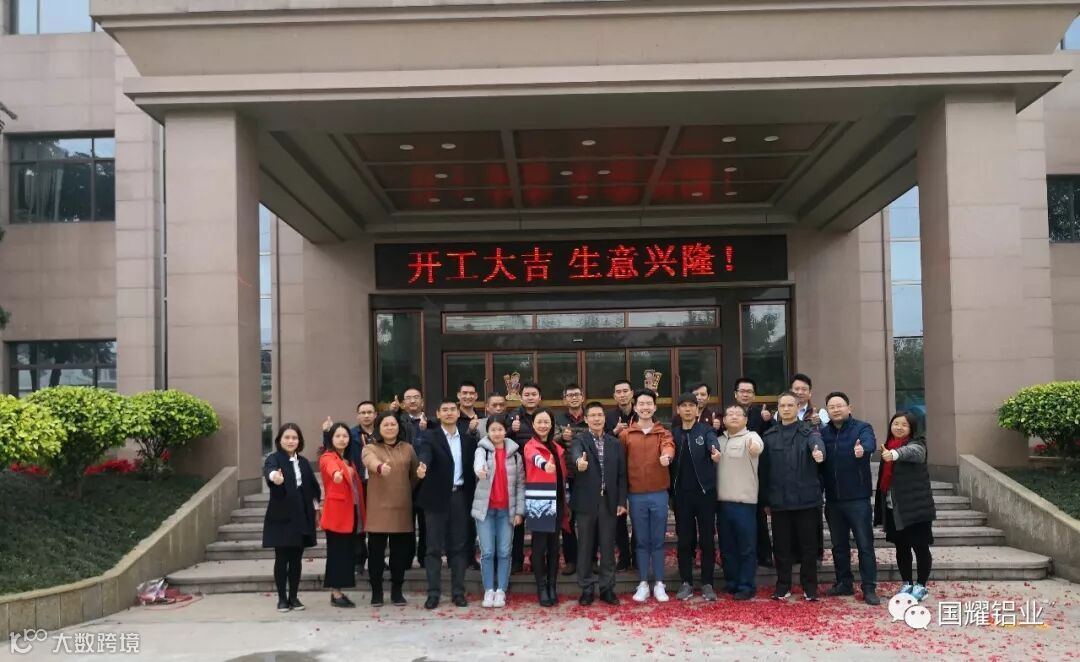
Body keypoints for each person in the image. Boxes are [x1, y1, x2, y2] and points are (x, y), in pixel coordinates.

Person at [762, 392, 825, 601]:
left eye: (791, 405)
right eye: (782, 406)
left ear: (798, 407)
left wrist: (819, 453)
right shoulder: (769, 436)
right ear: (778, 409)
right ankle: (783, 586)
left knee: (809, 546)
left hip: (806, 500)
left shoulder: (809, 432)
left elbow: (818, 446)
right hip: (780, 501)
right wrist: (765, 500)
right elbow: (764, 471)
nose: (786, 409)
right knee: (781, 546)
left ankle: (810, 587)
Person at [820, 391, 880, 605]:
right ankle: (844, 582)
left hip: (858, 498)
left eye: (839, 405)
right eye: (832, 406)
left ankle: (869, 587)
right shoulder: (823, 433)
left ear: (849, 408)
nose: (836, 409)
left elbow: (870, 443)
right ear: (827, 411)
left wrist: (863, 449)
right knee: (839, 545)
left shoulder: (862, 428)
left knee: (865, 544)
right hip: (833, 499)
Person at [416, 399, 477, 608]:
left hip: (460, 497)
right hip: (436, 498)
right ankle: (433, 593)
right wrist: (423, 465)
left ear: (458, 413)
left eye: (453, 409)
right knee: (433, 548)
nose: (449, 413)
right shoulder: (430, 436)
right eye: (445, 410)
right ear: (438, 414)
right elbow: (425, 454)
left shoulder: (468, 440)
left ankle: (458, 592)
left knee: (459, 547)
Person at [569, 401, 627, 606]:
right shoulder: (580, 440)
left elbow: (622, 475)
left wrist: (622, 501)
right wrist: (579, 462)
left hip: (609, 502)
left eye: (599, 415)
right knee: (585, 547)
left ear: (604, 418)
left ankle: (606, 588)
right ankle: (586, 588)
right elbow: (575, 455)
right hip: (586, 502)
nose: (596, 419)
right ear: (586, 419)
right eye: (592, 415)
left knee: (608, 546)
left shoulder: (615, 443)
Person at [620, 389, 675, 602]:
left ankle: (659, 583)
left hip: (659, 494)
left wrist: (666, 457)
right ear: (635, 407)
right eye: (641, 404)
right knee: (642, 541)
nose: (645, 407)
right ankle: (643, 583)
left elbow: (669, 447)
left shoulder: (663, 433)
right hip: (636, 495)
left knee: (658, 540)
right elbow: (621, 465)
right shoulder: (626, 435)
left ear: (655, 407)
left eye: (648, 403)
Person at [874, 411, 936, 602]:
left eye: (904, 425)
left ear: (912, 428)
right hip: (894, 509)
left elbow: (913, 453)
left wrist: (894, 454)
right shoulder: (888, 446)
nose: (899, 427)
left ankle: (921, 585)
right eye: (896, 424)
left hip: (916, 508)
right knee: (901, 547)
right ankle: (907, 583)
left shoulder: (918, 444)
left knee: (920, 547)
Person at [362, 411, 420, 607]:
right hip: (378, 509)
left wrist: (419, 475)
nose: (389, 428)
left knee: (399, 555)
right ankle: (376, 592)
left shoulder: (408, 448)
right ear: (378, 428)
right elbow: (369, 461)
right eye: (385, 424)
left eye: (393, 424)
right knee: (376, 555)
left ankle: (397, 591)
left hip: (402, 507)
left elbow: (414, 475)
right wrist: (380, 468)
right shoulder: (370, 448)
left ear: (399, 427)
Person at [262, 423, 321, 613]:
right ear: (279, 440)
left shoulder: (303, 462)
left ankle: (294, 597)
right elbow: (270, 470)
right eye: (286, 437)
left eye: (294, 438)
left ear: (299, 441)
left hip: (302, 515)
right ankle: (282, 598)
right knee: (282, 558)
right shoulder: (274, 458)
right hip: (281, 515)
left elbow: (313, 487)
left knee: (296, 559)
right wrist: (275, 477)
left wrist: (316, 508)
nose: (290, 441)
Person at [670, 392, 721, 602]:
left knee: (707, 539)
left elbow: (713, 443)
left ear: (697, 409)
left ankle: (707, 583)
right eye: (684, 406)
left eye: (692, 405)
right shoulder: (673, 433)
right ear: (678, 410)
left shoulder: (706, 430)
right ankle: (686, 582)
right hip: (682, 495)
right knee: (684, 540)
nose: (688, 409)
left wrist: (715, 451)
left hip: (705, 493)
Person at [472, 415, 525, 608]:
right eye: (493, 430)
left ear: (506, 431)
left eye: (500, 429)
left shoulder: (515, 455)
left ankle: (501, 590)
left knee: (504, 552)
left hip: (506, 511)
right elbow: (478, 464)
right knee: (487, 552)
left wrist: (519, 512)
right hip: (485, 511)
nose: (496, 433)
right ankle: (489, 590)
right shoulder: (482, 450)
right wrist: (480, 471)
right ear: (487, 431)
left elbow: (520, 485)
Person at [715, 404, 764, 600]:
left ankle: (746, 585)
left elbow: (757, 447)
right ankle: (732, 582)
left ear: (745, 419)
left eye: (738, 414)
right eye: (730, 414)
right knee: (727, 547)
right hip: (722, 503)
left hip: (744, 503)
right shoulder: (718, 440)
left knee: (746, 547)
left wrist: (754, 447)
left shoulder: (751, 437)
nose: (734, 417)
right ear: (724, 420)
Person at [524, 408, 569, 607]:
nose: (543, 425)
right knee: (539, 546)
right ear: (533, 425)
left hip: (557, 501)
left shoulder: (557, 447)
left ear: (552, 425)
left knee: (554, 546)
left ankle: (552, 585)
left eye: (546, 422)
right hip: (539, 501)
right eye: (539, 422)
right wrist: (545, 466)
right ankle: (541, 588)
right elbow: (536, 458)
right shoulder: (530, 446)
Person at [319, 422, 366, 608]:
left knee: (345, 553)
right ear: (331, 439)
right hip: (337, 514)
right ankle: (336, 593)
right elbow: (331, 467)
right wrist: (336, 474)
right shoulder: (328, 457)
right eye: (337, 436)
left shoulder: (348, 460)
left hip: (351, 512)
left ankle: (338, 591)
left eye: (345, 436)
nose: (341, 439)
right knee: (337, 554)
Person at [733, 378, 774, 568]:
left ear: (754, 395)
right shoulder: (729, 414)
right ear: (735, 394)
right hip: (734, 473)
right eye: (742, 391)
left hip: (757, 472)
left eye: (749, 391)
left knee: (759, 516)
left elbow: (772, 435)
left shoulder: (761, 414)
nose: (745, 394)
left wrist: (769, 420)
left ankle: (764, 555)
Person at [390, 386, 430, 568]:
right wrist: (393, 413)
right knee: (405, 521)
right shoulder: (397, 422)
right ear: (403, 403)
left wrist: (426, 430)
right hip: (403, 479)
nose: (412, 400)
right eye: (408, 398)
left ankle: (424, 557)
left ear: (422, 401)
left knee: (426, 522)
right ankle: (405, 559)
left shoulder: (432, 422)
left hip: (426, 480)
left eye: (416, 397)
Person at [790, 373, 826, 565]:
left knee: (813, 514)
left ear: (810, 393)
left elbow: (827, 436)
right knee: (793, 515)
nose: (800, 392)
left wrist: (821, 424)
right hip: (790, 469)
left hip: (813, 469)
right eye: (796, 389)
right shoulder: (781, 412)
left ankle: (816, 553)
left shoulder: (819, 413)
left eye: (804, 389)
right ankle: (796, 553)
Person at [509, 382, 544, 573]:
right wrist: (511, 430)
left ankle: (538, 559)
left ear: (540, 397)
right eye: (527, 394)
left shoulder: (544, 415)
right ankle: (517, 560)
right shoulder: (512, 416)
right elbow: (502, 440)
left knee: (540, 520)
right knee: (518, 520)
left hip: (540, 475)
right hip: (518, 475)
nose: (530, 397)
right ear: (521, 397)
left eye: (534, 394)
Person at [555, 383, 588, 576]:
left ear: (582, 397)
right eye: (570, 395)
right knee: (567, 520)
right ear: (564, 399)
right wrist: (561, 436)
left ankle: (591, 560)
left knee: (589, 519)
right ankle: (571, 560)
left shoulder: (590, 417)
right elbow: (549, 440)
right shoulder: (558, 419)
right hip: (566, 476)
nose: (574, 397)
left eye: (577, 394)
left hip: (587, 477)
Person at [606, 379, 637, 571]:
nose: (622, 394)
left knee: (638, 517)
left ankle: (637, 555)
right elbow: (601, 441)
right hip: (616, 472)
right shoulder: (609, 417)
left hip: (637, 469)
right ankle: (624, 556)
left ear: (632, 393)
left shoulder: (641, 412)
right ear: (614, 396)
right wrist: (614, 432)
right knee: (619, 517)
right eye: (618, 392)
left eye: (626, 391)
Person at [456, 380, 483, 571]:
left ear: (476, 396)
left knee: (473, 518)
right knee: (460, 518)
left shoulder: (482, 417)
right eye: (464, 393)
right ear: (459, 395)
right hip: (460, 475)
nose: (467, 396)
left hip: (480, 476)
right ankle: (458, 557)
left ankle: (471, 556)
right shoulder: (453, 417)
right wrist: (469, 430)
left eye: (471, 393)